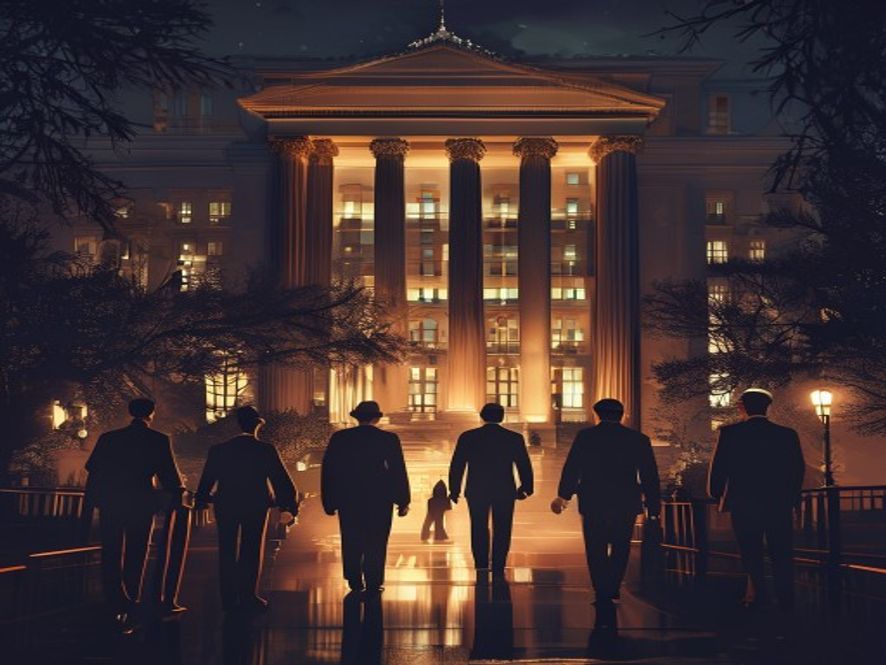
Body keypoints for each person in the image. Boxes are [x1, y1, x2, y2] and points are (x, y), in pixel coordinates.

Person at [552, 398, 660, 627]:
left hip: (594, 500)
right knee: (621, 546)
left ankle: (600, 589)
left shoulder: (586, 437)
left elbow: (572, 467)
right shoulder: (638, 439)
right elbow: (649, 475)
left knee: (595, 546)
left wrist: (564, 495)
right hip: (625, 501)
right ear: (622, 414)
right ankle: (613, 586)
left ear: (597, 414)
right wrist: (653, 506)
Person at [85, 397, 184, 629]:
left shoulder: (109, 438)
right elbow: (169, 475)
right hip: (141, 501)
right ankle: (132, 596)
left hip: (112, 500)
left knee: (111, 550)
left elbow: (93, 468)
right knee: (137, 550)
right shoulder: (158, 439)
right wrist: (178, 491)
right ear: (151, 413)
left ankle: (113, 597)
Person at [195, 405, 299, 613]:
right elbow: (280, 480)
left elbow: (207, 479)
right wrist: (288, 506)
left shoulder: (219, 450)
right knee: (251, 548)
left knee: (226, 548)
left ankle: (228, 597)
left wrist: (202, 499)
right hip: (255, 503)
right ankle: (248, 595)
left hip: (226, 503)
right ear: (257, 426)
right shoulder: (265, 450)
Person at [708, 388, 805, 610]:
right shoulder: (787, 434)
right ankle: (785, 598)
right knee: (781, 551)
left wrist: (717, 494)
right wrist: (791, 497)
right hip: (778, 503)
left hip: (744, 502)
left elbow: (719, 468)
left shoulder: (730, 433)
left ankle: (758, 596)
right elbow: (796, 470)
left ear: (742, 407)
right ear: (767, 406)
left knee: (750, 551)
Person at [321, 401, 411, 594]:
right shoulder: (388, 439)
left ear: (357, 417)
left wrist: (329, 500)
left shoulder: (340, 438)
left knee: (351, 538)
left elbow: (329, 470)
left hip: (349, 496)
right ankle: (373, 580)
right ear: (376, 418)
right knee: (377, 540)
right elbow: (397, 470)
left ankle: (354, 579)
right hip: (379, 497)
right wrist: (403, 500)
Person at [448, 403, 534, 579]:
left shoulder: (468, 437)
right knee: (503, 528)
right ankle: (498, 563)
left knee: (478, 526)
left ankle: (481, 564)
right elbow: (524, 464)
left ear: (482, 416)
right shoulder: (513, 438)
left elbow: (457, 465)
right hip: (504, 489)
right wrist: (526, 488)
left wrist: (454, 489)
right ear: (502, 417)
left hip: (476, 489)